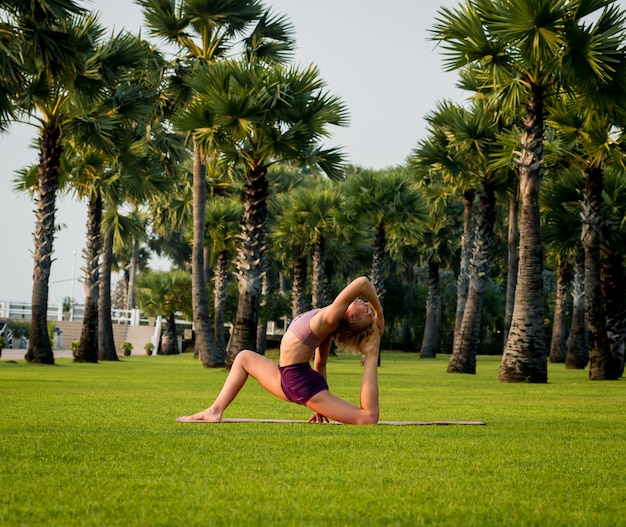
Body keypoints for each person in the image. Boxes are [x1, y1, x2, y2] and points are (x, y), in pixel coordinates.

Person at [181, 276, 384, 425]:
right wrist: (318, 406)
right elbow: (320, 364)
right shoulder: (329, 322)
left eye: (367, 311)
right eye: (368, 306)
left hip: (299, 381)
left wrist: (379, 313)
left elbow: (362, 283)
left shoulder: (329, 318)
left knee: (368, 418)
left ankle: (372, 352)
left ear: (351, 318)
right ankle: (215, 410)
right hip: (285, 376)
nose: (367, 305)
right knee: (243, 357)